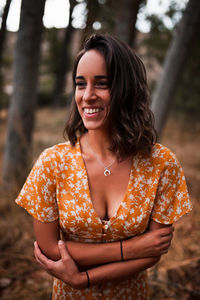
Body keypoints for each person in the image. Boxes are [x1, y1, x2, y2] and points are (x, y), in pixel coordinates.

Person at [16, 34, 192, 300]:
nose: (87, 96)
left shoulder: (162, 164)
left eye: (102, 84)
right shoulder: (52, 164)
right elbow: (49, 249)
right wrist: (130, 248)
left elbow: (153, 251)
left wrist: (83, 278)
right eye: (80, 84)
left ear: (126, 88)